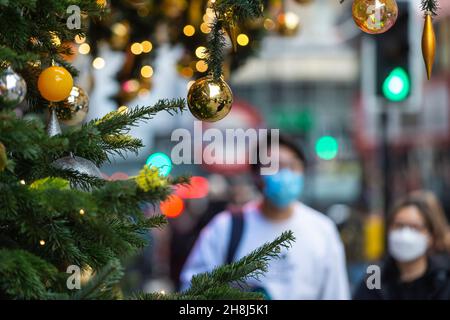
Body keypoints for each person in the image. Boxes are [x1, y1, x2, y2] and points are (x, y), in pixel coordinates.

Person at [180, 133, 350, 299]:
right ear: (256, 175)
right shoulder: (226, 228)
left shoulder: (322, 230)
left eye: (292, 166)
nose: (285, 174)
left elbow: (336, 293)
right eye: (274, 166)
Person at [354, 191, 450, 300]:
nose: (405, 234)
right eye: (399, 226)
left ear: (430, 236)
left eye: (415, 227)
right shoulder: (375, 278)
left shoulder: (443, 280)